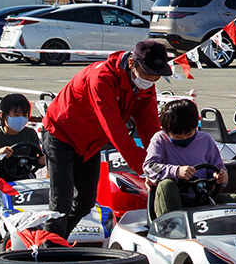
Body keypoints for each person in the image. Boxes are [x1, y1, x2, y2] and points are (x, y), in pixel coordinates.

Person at [39, 39, 171, 238]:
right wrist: (146, 169)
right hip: (61, 135)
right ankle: (48, 249)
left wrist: (164, 161)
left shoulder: (145, 84)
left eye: (157, 76)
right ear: (131, 64)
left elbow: (150, 127)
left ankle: (55, 239)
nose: (152, 80)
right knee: (61, 203)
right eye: (148, 73)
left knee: (85, 202)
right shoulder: (101, 77)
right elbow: (115, 130)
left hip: (91, 142)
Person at [143, 98, 228, 217]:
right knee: (167, 185)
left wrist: (221, 176)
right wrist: (176, 171)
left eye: (188, 135)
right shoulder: (160, 140)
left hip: (201, 197)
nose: (184, 139)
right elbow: (149, 167)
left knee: (234, 201)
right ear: (166, 130)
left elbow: (218, 167)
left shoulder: (205, 140)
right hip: (174, 200)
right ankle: (173, 227)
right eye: (178, 137)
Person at [0, 93, 44, 182]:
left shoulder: (30, 134)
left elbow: (35, 158)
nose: (21, 118)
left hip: (22, 176)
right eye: (16, 115)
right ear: (3, 115)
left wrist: (42, 160)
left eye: (24, 115)